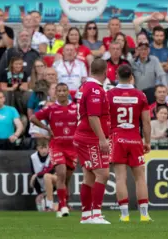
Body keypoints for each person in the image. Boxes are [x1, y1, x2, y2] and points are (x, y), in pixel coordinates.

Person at [106, 65, 152, 222]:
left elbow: (104, 119)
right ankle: (144, 214)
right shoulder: (140, 95)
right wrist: (148, 141)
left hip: (117, 138)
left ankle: (124, 215)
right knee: (140, 177)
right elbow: (146, 122)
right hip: (134, 138)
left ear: (117, 75)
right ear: (131, 76)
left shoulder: (109, 94)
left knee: (120, 178)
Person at [30, 82, 78, 217]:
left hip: (72, 147)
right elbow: (33, 118)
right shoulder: (51, 109)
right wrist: (46, 128)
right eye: (59, 91)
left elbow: (85, 122)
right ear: (55, 93)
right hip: (57, 145)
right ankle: (62, 207)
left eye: (64, 90)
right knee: (61, 173)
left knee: (67, 179)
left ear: (68, 92)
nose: (62, 93)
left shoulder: (76, 108)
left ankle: (64, 204)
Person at [74, 59, 111, 224]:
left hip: (82, 135)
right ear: (106, 71)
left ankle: (86, 215)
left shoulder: (84, 87)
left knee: (89, 176)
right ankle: (96, 214)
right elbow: (93, 116)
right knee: (103, 174)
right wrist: (102, 139)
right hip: (90, 137)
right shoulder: (95, 89)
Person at [28, 138, 58, 212]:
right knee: (36, 178)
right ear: (37, 148)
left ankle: (50, 203)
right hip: (41, 184)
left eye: (46, 148)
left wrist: (36, 175)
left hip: (54, 183)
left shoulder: (52, 155)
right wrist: (39, 193)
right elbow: (34, 174)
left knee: (47, 176)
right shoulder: (33, 157)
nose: (44, 150)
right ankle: (44, 199)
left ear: (49, 147)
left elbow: (50, 170)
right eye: (41, 148)